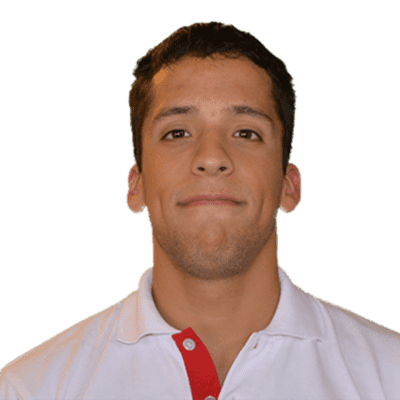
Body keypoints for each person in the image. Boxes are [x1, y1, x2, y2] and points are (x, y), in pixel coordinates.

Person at [1, 21, 399, 400]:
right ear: (136, 186)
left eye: (246, 132)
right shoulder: (30, 390)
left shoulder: (390, 376)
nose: (211, 158)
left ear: (289, 186)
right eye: (177, 133)